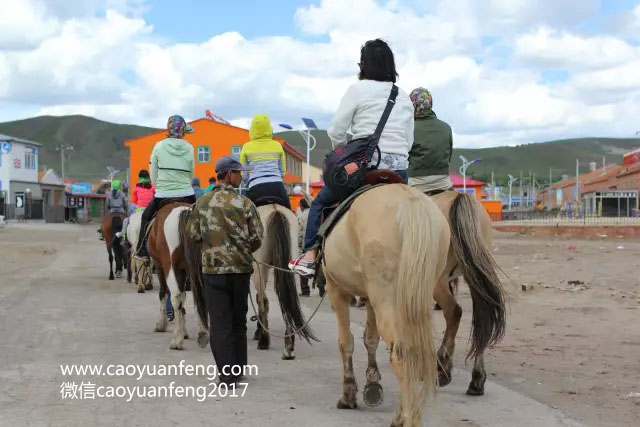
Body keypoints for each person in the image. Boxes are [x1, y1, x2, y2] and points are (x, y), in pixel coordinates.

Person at [290, 38, 414, 277]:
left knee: (319, 204)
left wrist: (344, 156)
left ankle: (310, 255)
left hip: (366, 168)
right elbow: (407, 143)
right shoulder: (403, 96)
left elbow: (335, 131)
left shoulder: (357, 90)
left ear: (364, 65)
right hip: (399, 170)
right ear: (391, 64)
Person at [188, 156, 263, 385]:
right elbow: (257, 237)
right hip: (240, 270)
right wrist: (241, 249)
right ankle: (238, 369)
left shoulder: (202, 203)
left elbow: (193, 235)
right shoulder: (245, 203)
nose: (241, 176)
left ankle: (227, 374)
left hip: (213, 271)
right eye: (239, 173)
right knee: (239, 320)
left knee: (220, 322)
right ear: (229, 174)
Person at [134, 115, 196, 260]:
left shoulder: (159, 146)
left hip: (163, 195)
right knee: (202, 218)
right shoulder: (189, 147)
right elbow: (191, 172)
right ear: (182, 131)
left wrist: (160, 186)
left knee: (145, 217)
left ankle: (142, 249)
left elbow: (153, 173)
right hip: (186, 193)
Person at [239, 114, 291, 209]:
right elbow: (282, 171)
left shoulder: (246, 147)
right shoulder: (277, 145)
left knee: (244, 218)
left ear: (252, 129)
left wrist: (248, 183)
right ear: (269, 128)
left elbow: (244, 174)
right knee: (290, 214)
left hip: (256, 187)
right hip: (277, 187)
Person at [407, 88, 453, 194]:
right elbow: (449, 156)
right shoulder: (446, 127)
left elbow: (404, 160)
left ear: (412, 105)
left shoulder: (408, 128)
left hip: (416, 183)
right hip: (443, 182)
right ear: (430, 103)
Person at [117, 169, 154, 240]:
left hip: (139, 209)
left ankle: (123, 234)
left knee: (126, 220)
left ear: (139, 178)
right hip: (150, 209)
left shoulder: (136, 188)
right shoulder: (152, 187)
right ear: (148, 177)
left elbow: (134, 201)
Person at [297, 198, 311, 296]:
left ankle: (305, 290)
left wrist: (298, 246)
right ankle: (321, 287)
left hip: (305, 245)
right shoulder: (313, 213)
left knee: (303, 267)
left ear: (302, 206)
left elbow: (300, 232)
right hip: (316, 243)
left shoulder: (302, 215)